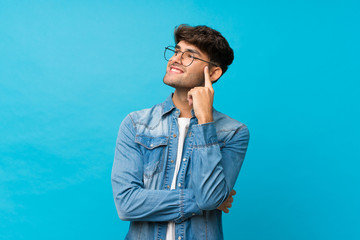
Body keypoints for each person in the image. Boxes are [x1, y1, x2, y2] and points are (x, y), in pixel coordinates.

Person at [111, 24, 250, 240]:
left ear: (213, 72)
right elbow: (126, 204)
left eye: (190, 56)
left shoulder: (233, 132)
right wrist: (206, 201)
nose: (176, 59)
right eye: (176, 51)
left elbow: (210, 198)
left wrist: (205, 122)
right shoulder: (136, 125)